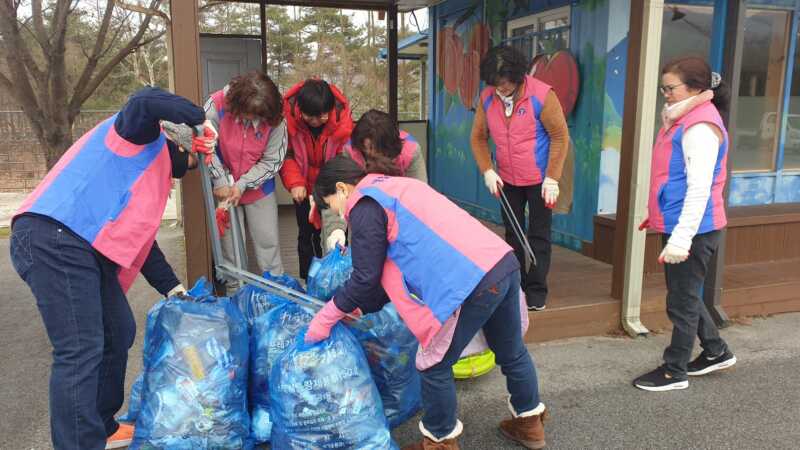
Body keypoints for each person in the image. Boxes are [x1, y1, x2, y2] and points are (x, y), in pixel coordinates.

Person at [8, 87, 214, 450]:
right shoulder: (139, 135)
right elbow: (144, 100)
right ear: (181, 146)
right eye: (194, 162)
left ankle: (102, 426)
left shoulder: (150, 174)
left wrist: (173, 288)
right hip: (54, 236)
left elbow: (141, 243)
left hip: (83, 248)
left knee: (118, 329)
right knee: (80, 347)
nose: (190, 170)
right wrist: (201, 119)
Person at [305, 155, 547, 450]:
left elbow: (365, 278)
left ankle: (440, 440)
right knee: (511, 351)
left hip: (469, 282)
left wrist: (328, 315)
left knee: (433, 363)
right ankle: (529, 424)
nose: (340, 214)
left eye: (332, 204)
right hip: (500, 263)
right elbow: (382, 274)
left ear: (342, 188)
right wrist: (356, 307)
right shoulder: (394, 187)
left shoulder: (365, 204)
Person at [633, 56, 737, 391]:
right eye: (663, 87)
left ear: (694, 88)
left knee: (680, 300)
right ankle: (716, 351)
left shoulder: (699, 127)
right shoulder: (682, 118)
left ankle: (674, 370)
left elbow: (699, 188)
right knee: (687, 293)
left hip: (694, 228)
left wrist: (680, 239)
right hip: (681, 222)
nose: (665, 93)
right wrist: (659, 214)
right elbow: (671, 178)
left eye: (670, 88)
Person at [471, 46, 570, 311]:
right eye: (495, 85)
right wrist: (488, 170)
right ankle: (517, 287)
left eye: (505, 85)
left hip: (539, 179)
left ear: (517, 76)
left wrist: (552, 178)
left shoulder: (542, 95)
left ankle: (536, 290)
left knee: (538, 235)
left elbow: (560, 137)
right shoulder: (488, 98)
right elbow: (478, 137)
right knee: (513, 235)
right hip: (506, 179)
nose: (500, 90)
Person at [205, 71, 287, 289]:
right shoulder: (216, 105)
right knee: (230, 245)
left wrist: (243, 184)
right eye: (251, 114)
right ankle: (235, 291)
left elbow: (273, 160)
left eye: (260, 116)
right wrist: (219, 179)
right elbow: (203, 142)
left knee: (268, 241)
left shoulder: (275, 117)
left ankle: (276, 293)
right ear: (238, 104)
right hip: (224, 185)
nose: (255, 120)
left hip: (259, 187)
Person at [322, 109, 427, 252]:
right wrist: (335, 231)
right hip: (364, 214)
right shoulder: (350, 151)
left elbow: (419, 199)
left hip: (400, 219)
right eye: (366, 150)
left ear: (391, 146)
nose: (371, 155)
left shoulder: (410, 152)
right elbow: (337, 194)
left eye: (377, 150)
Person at [279, 79, 353, 279]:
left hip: (333, 187)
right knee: (306, 234)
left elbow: (344, 160)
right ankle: (309, 281)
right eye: (309, 116)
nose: (315, 121)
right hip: (303, 188)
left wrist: (335, 188)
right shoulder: (286, 122)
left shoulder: (342, 123)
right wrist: (296, 184)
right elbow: (287, 155)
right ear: (300, 110)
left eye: (322, 116)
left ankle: (338, 278)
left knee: (337, 233)